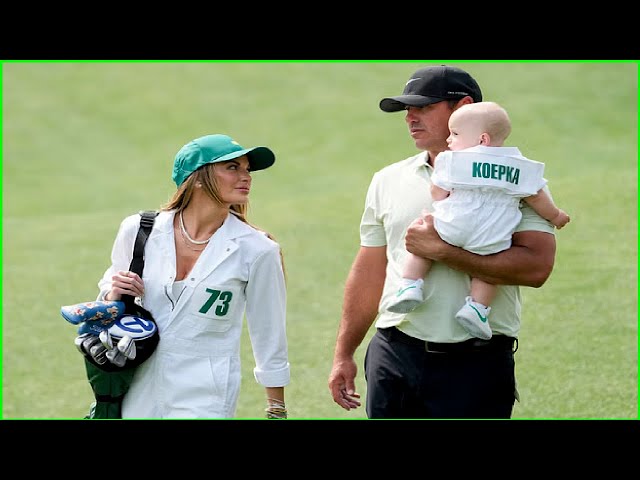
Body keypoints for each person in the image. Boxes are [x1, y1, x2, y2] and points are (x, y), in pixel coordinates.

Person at [328, 65, 559, 419]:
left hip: (476, 360)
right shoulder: (388, 179)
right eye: (407, 110)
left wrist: (442, 252)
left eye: (423, 107)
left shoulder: (516, 179)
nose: (410, 118)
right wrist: (344, 352)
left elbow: (536, 267)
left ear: (463, 107)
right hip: (394, 352)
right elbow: (371, 267)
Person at [94, 133, 290, 419]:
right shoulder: (138, 230)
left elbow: (269, 331)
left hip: (206, 395)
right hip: (135, 386)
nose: (246, 176)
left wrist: (276, 408)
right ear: (197, 178)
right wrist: (113, 294)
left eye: (247, 169)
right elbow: (106, 303)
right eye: (232, 167)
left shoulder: (258, 250)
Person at [387, 101, 570, 341]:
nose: (450, 140)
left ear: (482, 139)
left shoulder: (453, 160)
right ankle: (477, 308)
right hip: (493, 232)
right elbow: (536, 195)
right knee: (488, 268)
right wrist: (556, 216)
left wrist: (442, 198)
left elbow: (438, 192)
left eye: (455, 134)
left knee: (423, 241)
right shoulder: (519, 165)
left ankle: (410, 285)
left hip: (454, 224)